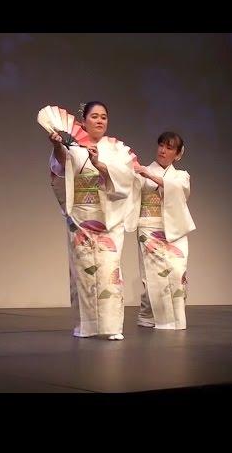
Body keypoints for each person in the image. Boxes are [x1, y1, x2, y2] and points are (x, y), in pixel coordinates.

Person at [48, 101, 135, 340]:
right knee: (84, 273)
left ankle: (112, 327)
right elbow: (61, 170)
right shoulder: (74, 149)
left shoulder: (117, 149)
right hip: (81, 216)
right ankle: (85, 326)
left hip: (109, 218)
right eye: (94, 116)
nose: (99, 121)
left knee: (109, 272)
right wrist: (57, 147)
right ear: (83, 121)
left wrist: (101, 165)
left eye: (103, 117)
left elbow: (127, 179)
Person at [126, 132, 195, 330]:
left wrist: (148, 175)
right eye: (161, 145)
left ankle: (150, 315)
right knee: (153, 275)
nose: (163, 150)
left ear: (178, 154)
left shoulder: (181, 176)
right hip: (149, 226)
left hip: (175, 228)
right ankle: (153, 317)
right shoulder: (143, 170)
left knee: (177, 271)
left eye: (169, 147)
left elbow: (179, 190)